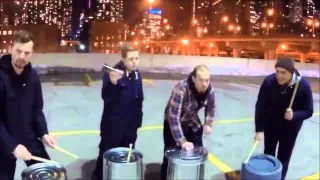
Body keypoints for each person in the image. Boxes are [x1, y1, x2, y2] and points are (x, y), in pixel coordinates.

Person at [0, 30, 56, 180]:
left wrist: (43, 133)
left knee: (50, 174)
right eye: (18, 51)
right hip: (3, 140)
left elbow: (37, 110)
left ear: (31, 54)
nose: (21, 57)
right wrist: (12, 146)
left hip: (27, 136)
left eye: (26, 53)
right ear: (10, 48)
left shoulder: (33, 76)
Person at [254, 57, 314, 180]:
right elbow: (260, 105)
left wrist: (294, 115)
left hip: (290, 130)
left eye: (283, 73)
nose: (279, 76)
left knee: (283, 159)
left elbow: (309, 111)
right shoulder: (269, 82)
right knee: (268, 156)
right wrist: (259, 129)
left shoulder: (303, 85)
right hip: (271, 126)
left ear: (291, 72)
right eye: (277, 71)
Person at [91, 43, 144, 180]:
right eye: (131, 59)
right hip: (113, 125)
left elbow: (139, 98)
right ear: (123, 59)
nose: (135, 62)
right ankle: (98, 177)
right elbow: (106, 97)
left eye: (137, 58)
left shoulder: (137, 74)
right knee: (106, 155)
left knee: (126, 155)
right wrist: (113, 84)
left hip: (130, 126)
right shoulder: (113, 73)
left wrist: (138, 121)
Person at [160, 65, 216, 180]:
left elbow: (211, 107)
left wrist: (208, 123)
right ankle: (166, 176)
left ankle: (196, 176)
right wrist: (182, 141)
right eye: (201, 80)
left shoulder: (209, 90)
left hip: (191, 120)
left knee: (199, 153)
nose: (205, 84)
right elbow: (173, 116)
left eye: (207, 80)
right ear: (194, 79)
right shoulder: (181, 88)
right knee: (170, 155)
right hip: (172, 122)